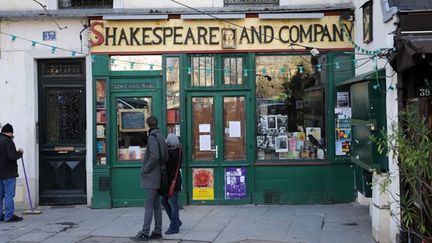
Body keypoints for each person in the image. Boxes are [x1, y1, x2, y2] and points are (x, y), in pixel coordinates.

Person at [132, 116, 168, 241]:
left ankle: (145, 232)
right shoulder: (162, 137)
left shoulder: (152, 138)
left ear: (148, 125)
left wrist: (145, 169)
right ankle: (157, 231)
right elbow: (165, 157)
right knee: (156, 205)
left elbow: (154, 156)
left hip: (152, 176)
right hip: (159, 175)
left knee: (148, 205)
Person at [0, 123, 24, 223]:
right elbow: (12, 156)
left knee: (0, 195)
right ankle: (9, 216)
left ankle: (0, 215)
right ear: (10, 132)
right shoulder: (8, 142)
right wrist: (20, 153)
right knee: (9, 195)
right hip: (8, 173)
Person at [160, 134, 182, 234]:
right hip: (175, 181)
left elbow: (167, 168)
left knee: (173, 204)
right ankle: (176, 221)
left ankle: (174, 227)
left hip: (171, 182)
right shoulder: (179, 150)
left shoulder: (170, 154)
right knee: (165, 202)